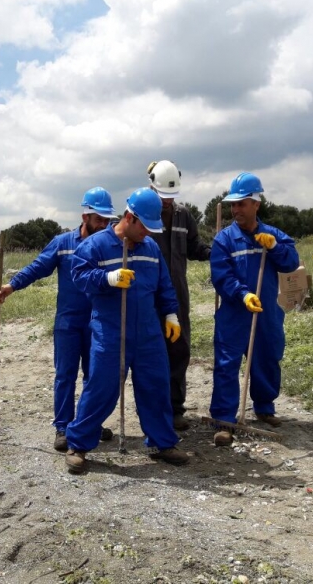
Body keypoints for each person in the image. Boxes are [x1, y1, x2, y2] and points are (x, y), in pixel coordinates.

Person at [64, 188, 190, 473]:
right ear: (130, 218)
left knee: (155, 386)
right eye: (145, 227)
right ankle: (79, 443)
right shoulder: (96, 246)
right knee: (102, 387)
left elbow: (164, 285)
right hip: (111, 329)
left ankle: (162, 442)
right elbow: (79, 276)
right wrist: (108, 277)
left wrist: (171, 314)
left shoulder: (151, 248)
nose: (149, 233)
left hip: (147, 331)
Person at [0, 187, 117, 452]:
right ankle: (63, 426)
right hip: (68, 322)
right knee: (65, 375)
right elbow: (39, 266)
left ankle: (88, 424)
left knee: (94, 376)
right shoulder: (63, 243)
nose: (104, 224)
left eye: (107, 219)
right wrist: (12, 286)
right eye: (99, 219)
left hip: (99, 321)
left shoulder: (108, 244)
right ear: (85, 216)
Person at [209, 172, 300, 446]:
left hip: (266, 312)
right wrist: (242, 293)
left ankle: (264, 407)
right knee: (226, 364)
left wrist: (274, 249)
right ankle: (225, 419)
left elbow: (291, 263)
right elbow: (221, 276)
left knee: (266, 357)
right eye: (233, 205)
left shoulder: (273, 235)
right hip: (235, 312)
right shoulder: (224, 240)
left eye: (242, 204)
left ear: (256, 203)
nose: (236, 209)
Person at [146, 160, 211, 430]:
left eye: (171, 197)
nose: (167, 202)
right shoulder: (142, 212)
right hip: (149, 296)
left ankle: (175, 408)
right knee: (151, 352)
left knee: (179, 348)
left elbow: (195, 246)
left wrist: (217, 254)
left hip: (178, 294)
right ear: (151, 187)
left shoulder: (184, 215)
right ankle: (154, 410)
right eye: (162, 196)